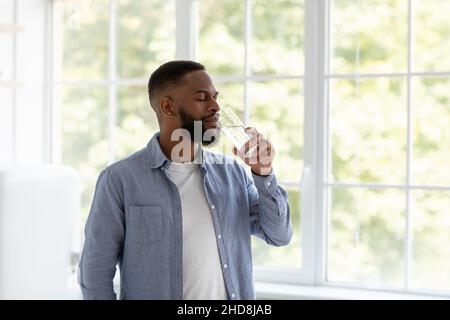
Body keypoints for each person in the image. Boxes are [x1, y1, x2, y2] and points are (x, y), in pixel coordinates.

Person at [78, 60, 293, 300]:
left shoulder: (234, 173)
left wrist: (264, 173)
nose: (216, 107)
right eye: (202, 98)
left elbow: (279, 235)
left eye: (215, 97)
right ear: (168, 107)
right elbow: (95, 271)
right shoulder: (120, 179)